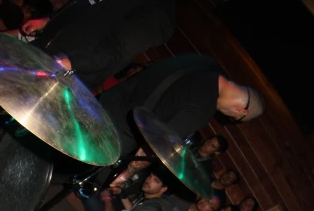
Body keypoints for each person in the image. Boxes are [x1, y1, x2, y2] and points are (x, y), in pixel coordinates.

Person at [33, 0, 191, 88]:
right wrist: (50, 20)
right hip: (43, 45)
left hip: (62, 71)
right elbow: (85, 2)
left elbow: (117, 50)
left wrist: (71, 63)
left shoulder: (160, 11)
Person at [100, 53, 265, 155]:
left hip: (107, 100)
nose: (228, 117)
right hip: (114, 133)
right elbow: (160, 142)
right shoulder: (205, 108)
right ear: (241, 110)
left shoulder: (203, 62)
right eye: (235, 118)